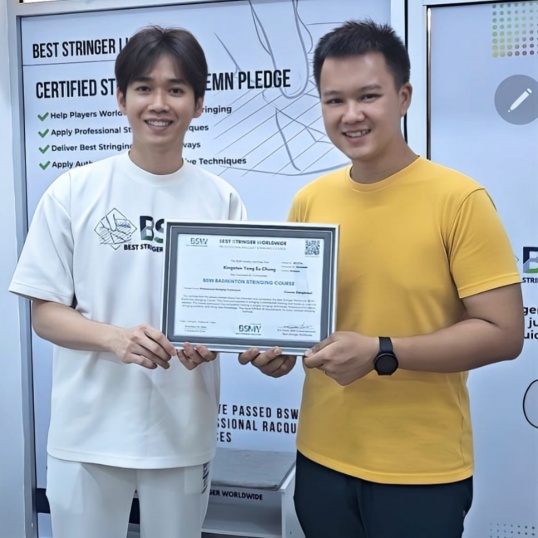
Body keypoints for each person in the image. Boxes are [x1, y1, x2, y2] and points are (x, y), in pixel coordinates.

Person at [239, 20, 524, 538]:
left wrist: (381, 351)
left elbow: (504, 333)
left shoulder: (460, 200)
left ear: (403, 96)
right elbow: (302, 323)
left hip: (420, 469)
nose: (351, 115)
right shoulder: (311, 201)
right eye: (334, 100)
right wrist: (277, 353)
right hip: (321, 458)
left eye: (368, 96)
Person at [10, 26, 246, 538]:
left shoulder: (221, 199)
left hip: (182, 432)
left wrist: (212, 342)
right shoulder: (74, 191)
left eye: (176, 89)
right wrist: (115, 339)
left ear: (199, 103)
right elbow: (45, 314)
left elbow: (232, 310)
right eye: (144, 87)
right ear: (121, 98)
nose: (159, 103)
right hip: (87, 433)